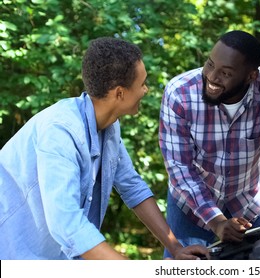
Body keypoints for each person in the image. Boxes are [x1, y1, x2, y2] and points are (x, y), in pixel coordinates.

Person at [0, 37, 209, 260]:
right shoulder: (60, 131)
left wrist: (175, 247)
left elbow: (132, 187)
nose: (145, 90)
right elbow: (67, 223)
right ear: (120, 93)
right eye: (142, 84)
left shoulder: (109, 127)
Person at [159, 30, 260, 258]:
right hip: (192, 202)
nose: (212, 77)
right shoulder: (179, 93)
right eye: (210, 64)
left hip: (250, 199)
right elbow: (180, 168)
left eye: (225, 73)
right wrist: (217, 222)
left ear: (250, 76)